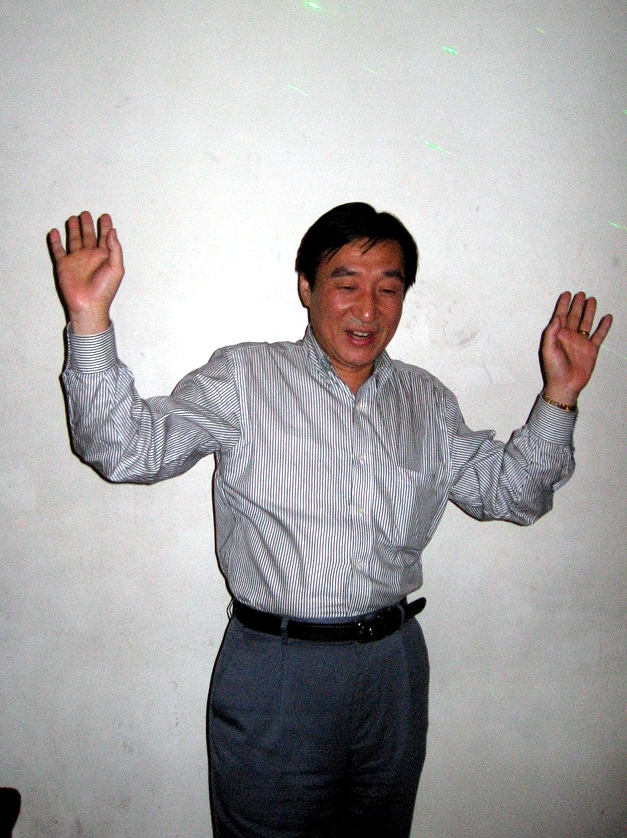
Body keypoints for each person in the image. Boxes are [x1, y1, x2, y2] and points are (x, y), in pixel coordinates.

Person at [48, 203, 612, 838]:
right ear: (306, 288)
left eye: (388, 289)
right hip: (278, 672)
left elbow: (515, 495)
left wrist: (560, 394)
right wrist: (89, 317)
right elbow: (126, 449)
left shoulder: (427, 401)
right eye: (346, 284)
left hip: (394, 671)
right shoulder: (245, 377)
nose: (367, 309)